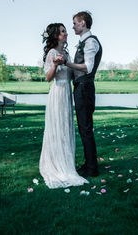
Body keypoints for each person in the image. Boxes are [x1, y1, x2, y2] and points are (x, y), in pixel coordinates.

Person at [39, 23, 89, 188]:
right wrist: (54, 64)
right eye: (62, 31)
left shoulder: (66, 53)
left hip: (67, 93)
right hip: (57, 91)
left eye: (65, 30)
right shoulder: (52, 53)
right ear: (55, 36)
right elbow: (48, 78)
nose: (66, 33)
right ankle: (55, 165)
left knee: (65, 127)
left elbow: (72, 71)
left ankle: (67, 163)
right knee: (57, 127)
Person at [57, 11, 102, 177]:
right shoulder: (84, 42)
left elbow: (88, 67)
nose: (73, 26)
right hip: (81, 88)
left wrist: (67, 63)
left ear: (83, 23)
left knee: (85, 129)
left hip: (84, 88)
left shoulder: (90, 42)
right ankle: (89, 164)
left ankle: (92, 168)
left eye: (75, 23)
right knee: (84, 129)